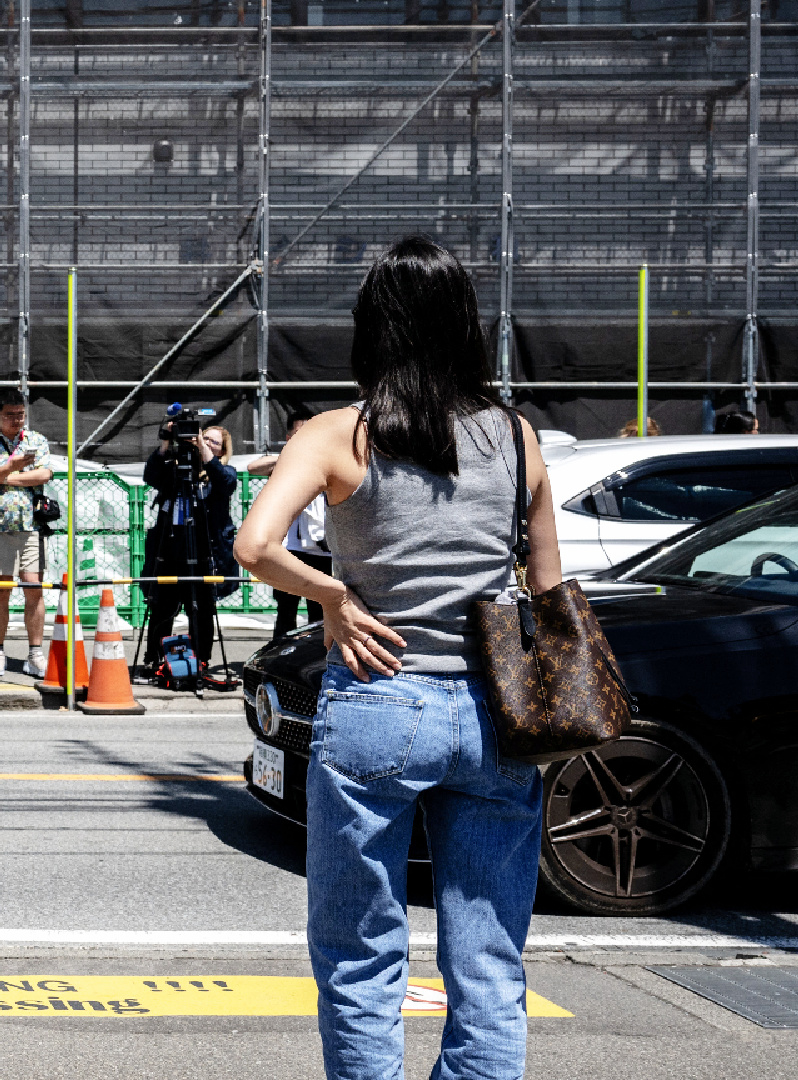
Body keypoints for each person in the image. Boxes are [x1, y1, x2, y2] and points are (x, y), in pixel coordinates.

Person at [234, 236, 558, 1080]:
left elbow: (256, 546)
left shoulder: (337, 434)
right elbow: (550, 593)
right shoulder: (515, 437)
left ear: (372, 327)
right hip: (494, 713)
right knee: (489, 960)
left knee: (359, 953)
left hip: (378, 702)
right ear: (464, 325)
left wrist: (336, 598)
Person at [139, 414, 239, 671]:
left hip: (205, 552)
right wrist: (165, 442)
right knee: (162, 606)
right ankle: (155, 659)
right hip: (171, 548)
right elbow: (150, 476)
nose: (203, 442)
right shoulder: (175, 467)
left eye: (212, 442)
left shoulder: (221, 473)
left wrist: (203, 450)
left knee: (202, 608)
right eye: (203, 437)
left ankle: (201, 659)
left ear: (222, 450)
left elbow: (226, 483)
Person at [0, 388, 53, 679]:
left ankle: (35, 653)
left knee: (34, 588)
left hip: (31, 525)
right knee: (2, 589)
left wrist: (3, 474)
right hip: (1, 526)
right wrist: (12, 468)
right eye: (10, 416)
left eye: (20, 415)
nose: (17, 421)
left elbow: (44, 474)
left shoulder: (36, 440)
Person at [249, 413, 331, 640]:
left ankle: (317, 663)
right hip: (291, 550)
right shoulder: (287, 463)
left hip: (324, 550)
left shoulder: (328, 461)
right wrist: (293, 455)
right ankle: (279, 660)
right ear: (289, 437)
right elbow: (253, 468)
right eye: (299, 435)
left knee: (320, 612)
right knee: (286, 609)